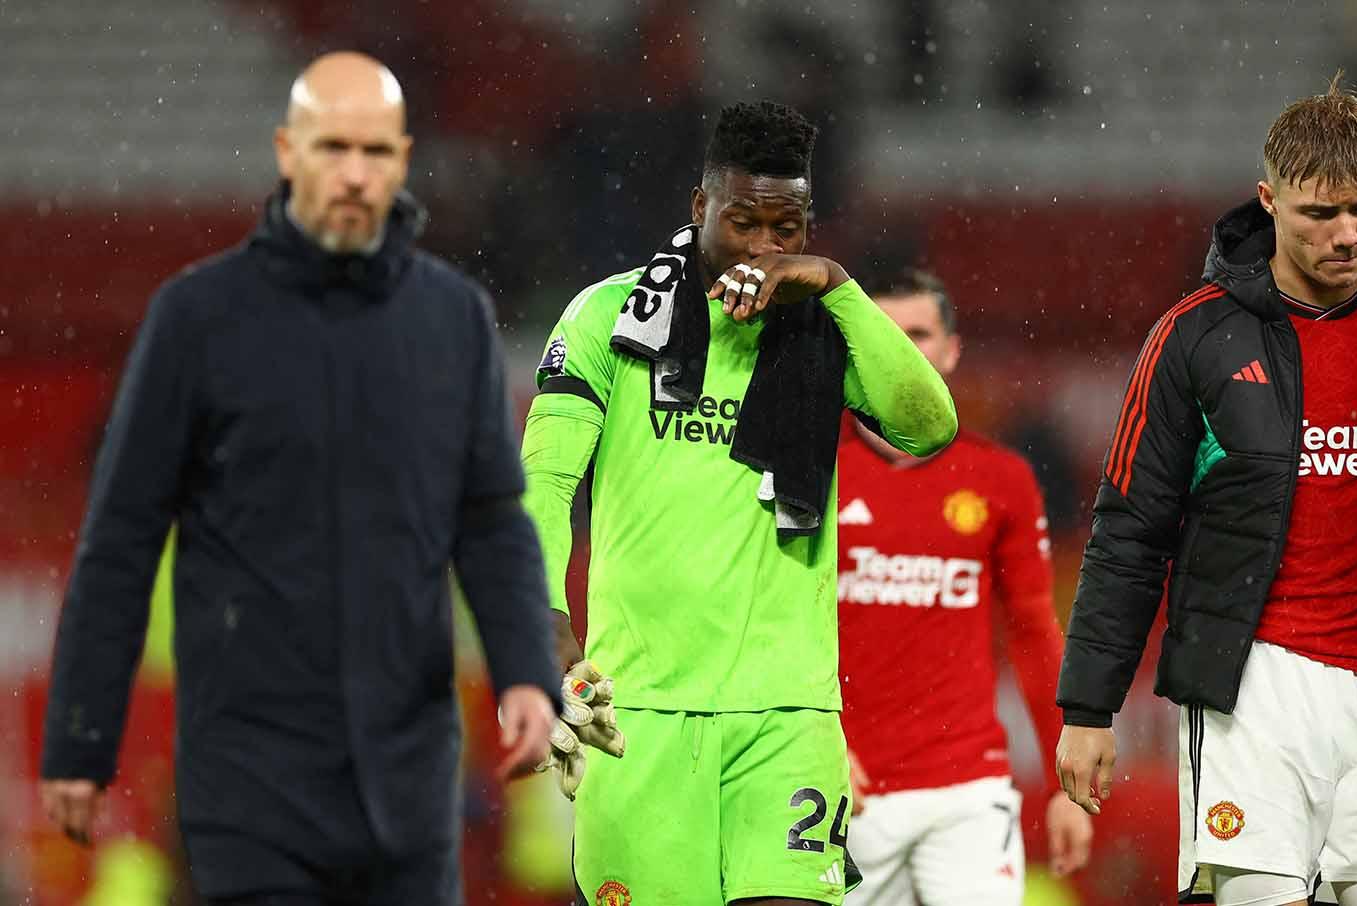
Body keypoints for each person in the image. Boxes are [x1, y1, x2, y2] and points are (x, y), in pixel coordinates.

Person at [38, 52, 562, 905]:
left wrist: (525, 673)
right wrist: (80, 740)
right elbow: (122, 540)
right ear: (287, 151)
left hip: (408, 783)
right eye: (332, 149)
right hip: (250, 783)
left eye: (375, 152)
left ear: (403, 158)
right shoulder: (197, 320)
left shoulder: (454, 320)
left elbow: (492, 520)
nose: (355, 175)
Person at [1055, 73, 1357, 906]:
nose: (1348, 234)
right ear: (1269, 202)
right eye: (1321, 214)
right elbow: (1131, 532)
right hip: (1254, 697)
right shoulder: (1194, 339)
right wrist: (1088, 710)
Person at [520, 100, 957, 906]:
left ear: (808, 225)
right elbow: (544, 487)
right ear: (699, 208)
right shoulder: (607, 318)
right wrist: (543, 627)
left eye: (784, 228)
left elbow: (930, 427)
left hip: (787, 715)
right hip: (638, 714)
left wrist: (839, 287)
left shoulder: (825, 330)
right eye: (742, 221)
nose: (762, 247)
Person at [834, 267, 1093, 904]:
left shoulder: (999, 480)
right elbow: (766, 623)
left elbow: (1035, 634)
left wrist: (1067, 783)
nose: (902, 350)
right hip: (838, 787)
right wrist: (808, 744)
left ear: (951, 351)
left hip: (966, 791)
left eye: (918, 333)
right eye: (885, 334)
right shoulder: (809, 471)